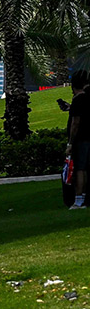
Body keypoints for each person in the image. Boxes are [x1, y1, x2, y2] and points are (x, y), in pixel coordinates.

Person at [66, 70, 90, 209]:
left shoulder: (78, 100)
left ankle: (79, 199)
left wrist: (70, 142)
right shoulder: (87, 98)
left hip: (80, 138)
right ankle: (84, 197)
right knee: (85, 168)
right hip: (88, 137)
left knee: (79, 168)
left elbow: (75, 123)